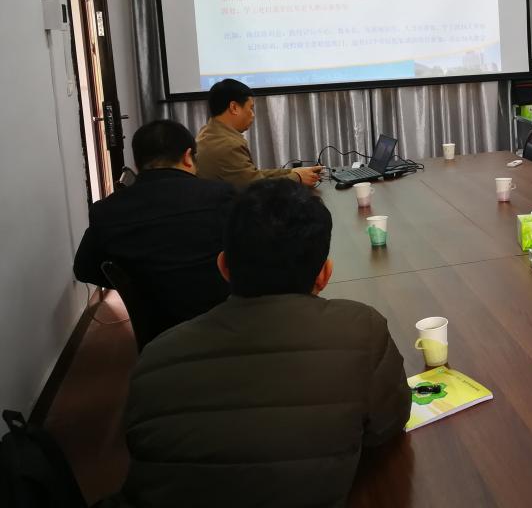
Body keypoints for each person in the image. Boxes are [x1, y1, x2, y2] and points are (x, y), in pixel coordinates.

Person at [112, 179, 410, 507]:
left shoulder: (154, 358)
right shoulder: (362, 330)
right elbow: (387, 425)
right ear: (324, 274)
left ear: (224, 267)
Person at [74, 119, 234, 336]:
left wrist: (133, 284)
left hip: (157, 333)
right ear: (188, 157)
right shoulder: (221, 195)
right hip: (225, 323)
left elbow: (84, 269)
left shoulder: (105, 211)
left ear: (137, 164)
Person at [195, 78, 321, 187]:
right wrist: (297, 178)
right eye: (250, 108)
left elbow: (251, 175)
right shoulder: (227, 145)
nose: (253, 115)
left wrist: (292, 172)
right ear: (234, 107)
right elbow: (256, 186)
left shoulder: (208, 132)